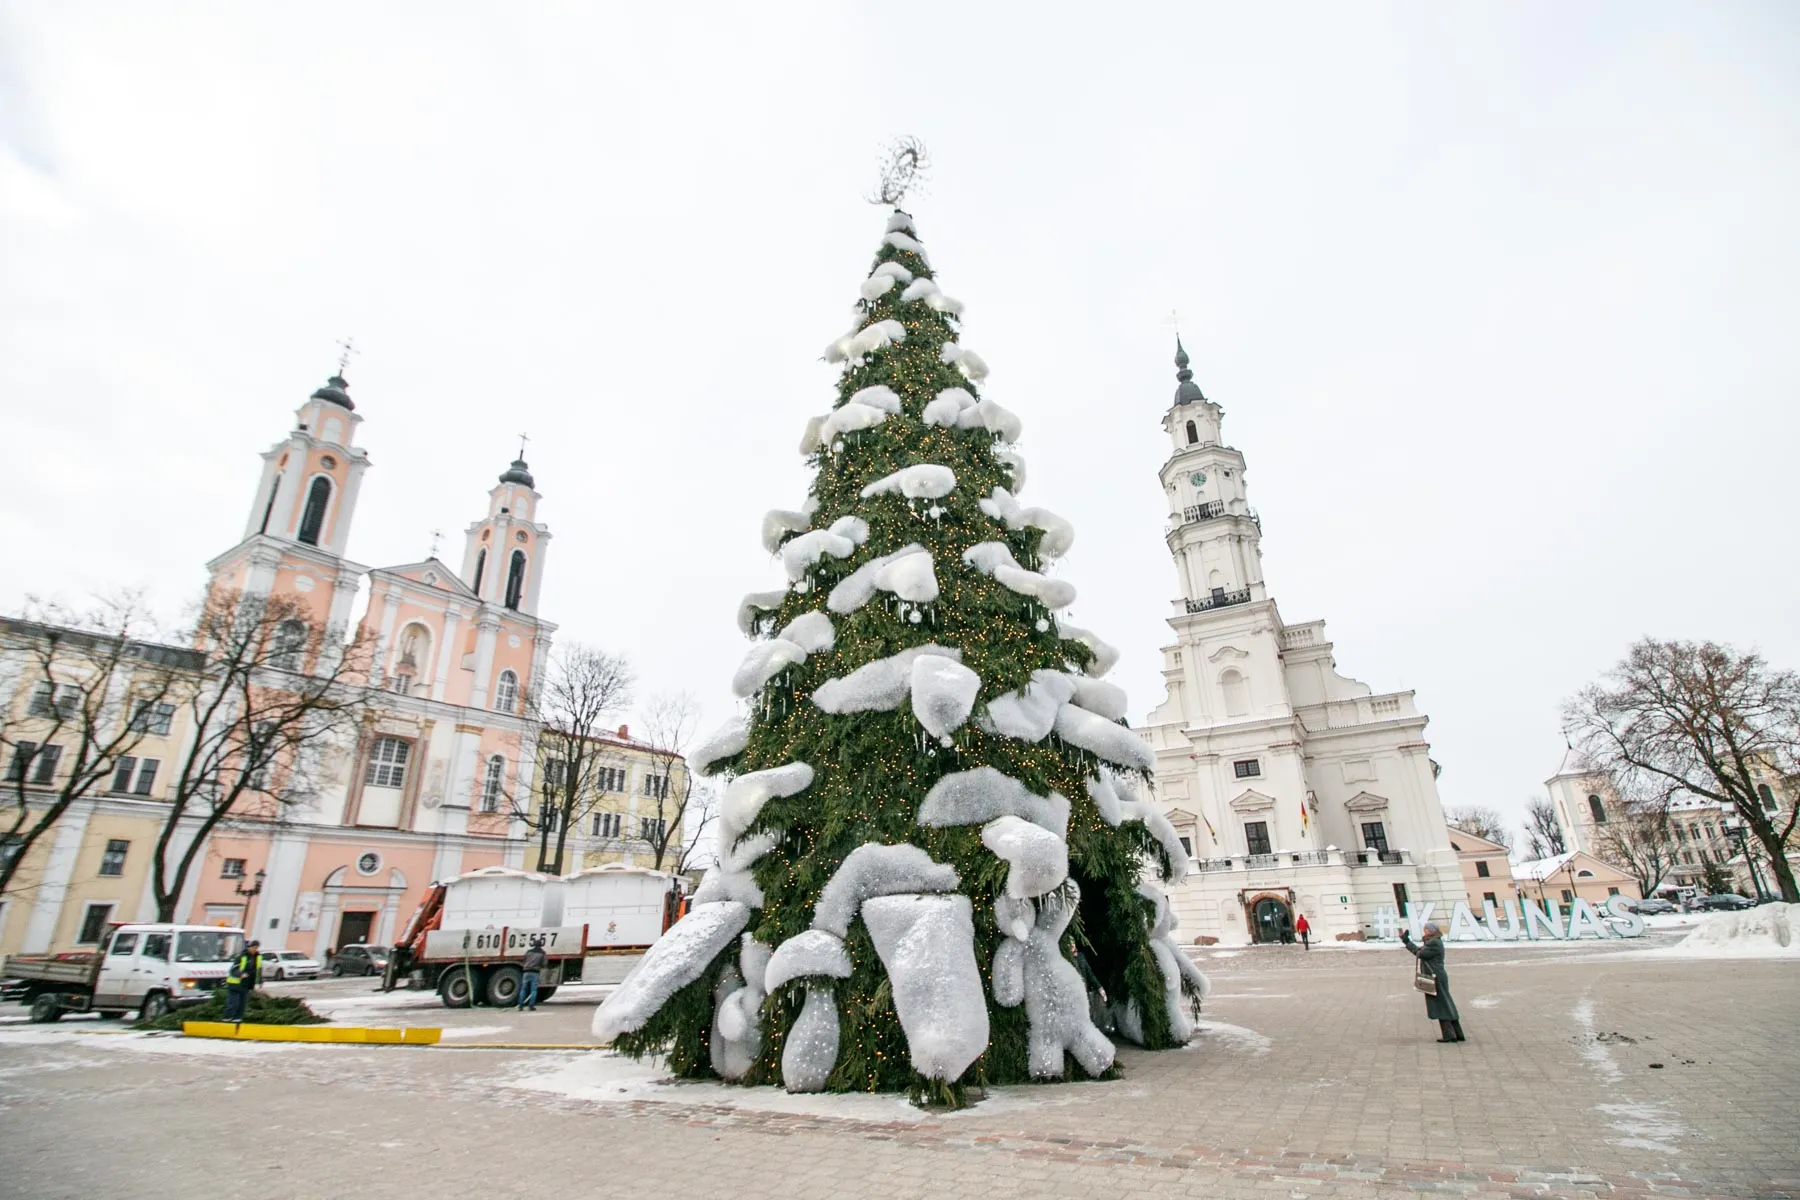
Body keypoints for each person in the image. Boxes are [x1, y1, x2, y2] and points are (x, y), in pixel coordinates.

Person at [1400, 923, 1463, 1042]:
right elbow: (1421, 951)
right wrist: (1407, 941)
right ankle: (1457, 1033)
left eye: (1426, 930)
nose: (1424, 932)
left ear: (1430, 931)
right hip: (1437, 975)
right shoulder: (1433, 941)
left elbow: (1420, 953)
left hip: (1436, 977)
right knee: (1445, 1003)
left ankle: (1449, 1035)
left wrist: (1406, 941)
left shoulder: (1434, 943)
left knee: (1441, 1005)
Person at [223, 939, 261, 1023]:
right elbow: (233, 970)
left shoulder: (257, 957)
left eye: (256, 948)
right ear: (249, 947)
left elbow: (258, 970)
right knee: (233, 1003)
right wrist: (240, 974)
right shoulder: (241, 956)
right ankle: (227, 1019)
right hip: (235, 984)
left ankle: (237, 1020)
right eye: (253, 947)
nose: (255, 949)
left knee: (242, 1004)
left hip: (246, 984)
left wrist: (260, 981)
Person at [518, 938, 547, 1011]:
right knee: (533, 990)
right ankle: (531, 1006)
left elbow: (524, 960)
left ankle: (520, 1005)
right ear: (541, 945)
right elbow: (544, 964)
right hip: (535, 972)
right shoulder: (542, 953)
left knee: (523, 989)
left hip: (526, 972)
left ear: (534, 944)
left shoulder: (528, 952)